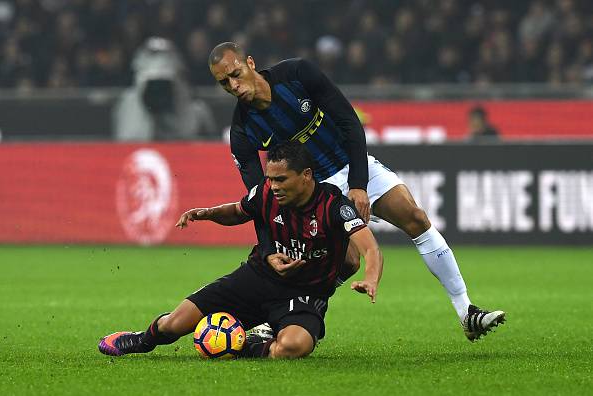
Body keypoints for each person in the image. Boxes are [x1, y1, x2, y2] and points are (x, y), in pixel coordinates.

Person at [209, 42, 505, 342]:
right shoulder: (243, 130)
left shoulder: (297, 74)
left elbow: (350, 122)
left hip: (352, 165)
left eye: (236, 74)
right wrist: (270, 248)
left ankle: (466, 312)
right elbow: (262, 199)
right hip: (314, 191)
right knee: (348, 262)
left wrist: (358, 185)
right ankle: (281, 314)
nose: (234, 85)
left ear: (249, 62)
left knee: (415, 217)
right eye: (224, 83)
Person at [98, 142, 383, 359]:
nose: (273, 186)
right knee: (176, 323)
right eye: (270, 178)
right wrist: (207, 213)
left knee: (294, 346)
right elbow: (238, 211)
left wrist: (371, 279)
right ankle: (141, 340)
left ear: (306, 175)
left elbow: (370, 248)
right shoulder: (265, 193)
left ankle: (245, 344)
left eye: (281, 179)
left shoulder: (333, 206)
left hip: (303, 293)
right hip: (257, 278)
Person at [113, 37, 217, 142]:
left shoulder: (196, 109)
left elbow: (207, 148)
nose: (157, 91)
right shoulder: (127, 103)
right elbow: (123, 144)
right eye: (152, 84)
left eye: (164, 83)